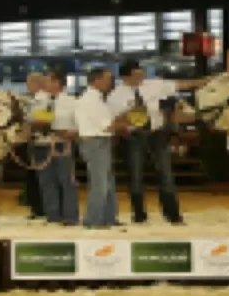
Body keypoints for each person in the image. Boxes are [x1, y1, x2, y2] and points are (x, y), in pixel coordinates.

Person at [106, 60, 208, 225]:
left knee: (166, 174)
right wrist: (133, 115)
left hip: (157, 133)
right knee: (135, 177)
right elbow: (113, 121)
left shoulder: (154, 84)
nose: (140, 76)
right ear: (125, 76)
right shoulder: (115, 96)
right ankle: (139, 215)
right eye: (136, 74)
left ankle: (173, 215)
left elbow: (183, 85)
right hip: (133, 136)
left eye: (141, 72)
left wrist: (209, 80)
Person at [74, 67, 130, 229]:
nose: (110, 82)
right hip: (96, 142)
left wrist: (126, 117)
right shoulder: (91, 100)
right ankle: (93, 219)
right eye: (107, 79)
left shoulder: (96, 99)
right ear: (96, 80)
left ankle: (108, 217)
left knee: (108, 182)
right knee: (100, 184)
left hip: (99, 142)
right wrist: (130, 122)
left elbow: (108, 122)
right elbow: (107, 126)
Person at [29, 70, 79, 225]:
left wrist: (72, 134)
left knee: (66, 180)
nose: (44, 83)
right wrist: (34, 125)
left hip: (61, 143)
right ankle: (52, 215)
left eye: (48, 80)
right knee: (46, 181)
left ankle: (70, 216)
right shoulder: (39, 100)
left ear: (57, 83)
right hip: (41, 143)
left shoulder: (72, 101)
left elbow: (79, 124)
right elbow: (30, 119)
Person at [20, 72, 47, 219]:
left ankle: (40, 208)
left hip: (40, 142)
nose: (28, 86)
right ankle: (37, 208)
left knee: (38, 177)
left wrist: (27, 126)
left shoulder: (43, 99)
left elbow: (44, 121)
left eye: (30, 83)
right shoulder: (33, 99)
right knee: (32, 176)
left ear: (37, 84)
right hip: (32, 142)